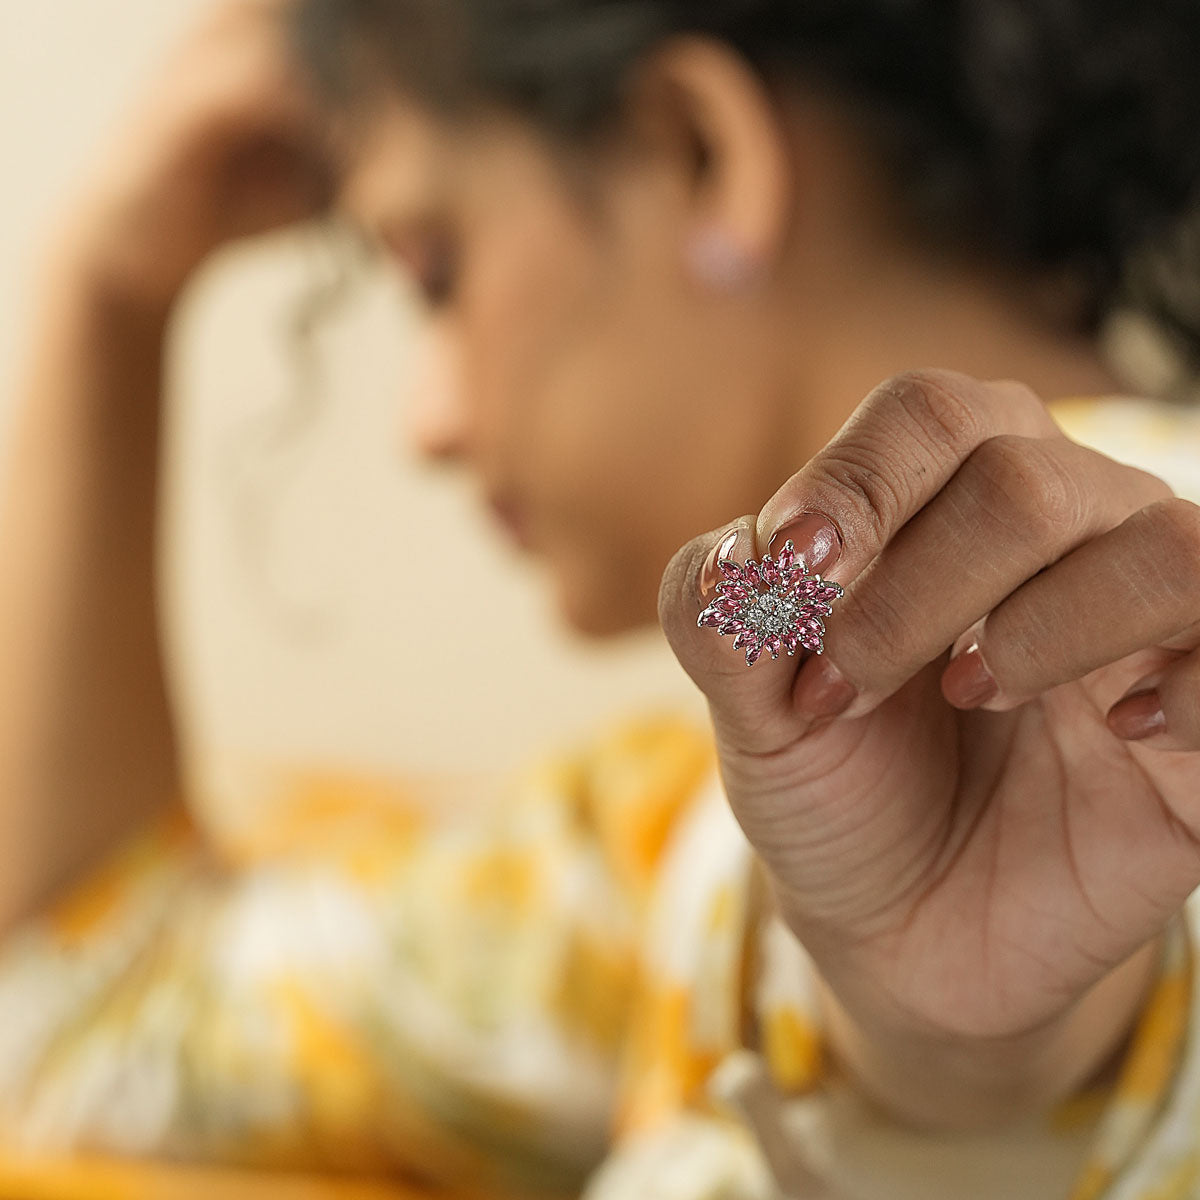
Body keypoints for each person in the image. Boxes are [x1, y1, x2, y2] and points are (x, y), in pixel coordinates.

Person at [1, 1, 1199, 1197]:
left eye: (434, 271)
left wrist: (963, 1065)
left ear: (698, 152)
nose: (427, 424)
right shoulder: (676, 824)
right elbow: (97, 1032)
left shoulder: (1141, 666)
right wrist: (107, 290)